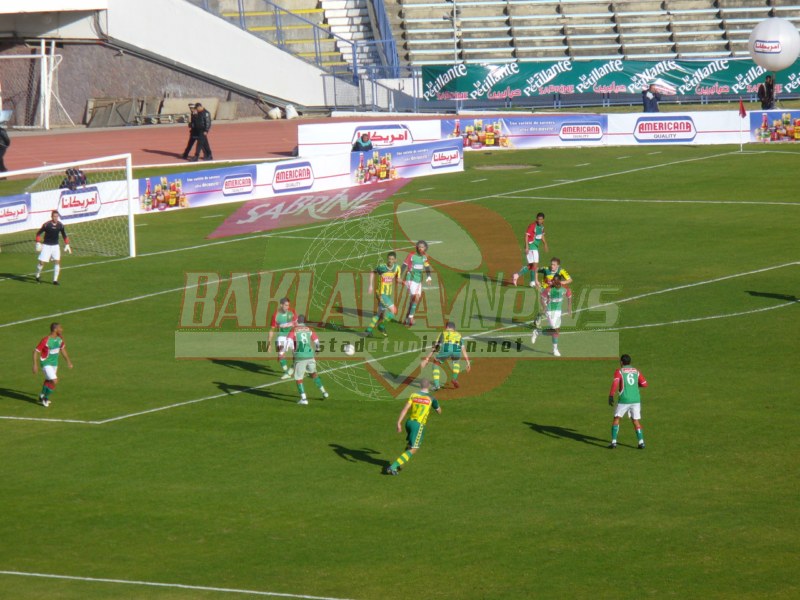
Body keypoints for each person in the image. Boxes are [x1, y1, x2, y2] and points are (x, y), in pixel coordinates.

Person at [384, 378, 441, 476]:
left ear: (420, 386)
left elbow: (405, 409)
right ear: (428, 386)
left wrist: (398, 423)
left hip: (409, 423)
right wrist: (437, 408)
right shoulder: (431, 398)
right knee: (414, 449)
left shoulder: (413, 395)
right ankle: (393, 467)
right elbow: (439, 411)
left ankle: (399, 463)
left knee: (411, 445)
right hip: (418, 426)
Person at [608, 354, 649, 449]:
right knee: (635, 420)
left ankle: (614, 442)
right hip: (636, 400)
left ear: (622, 362)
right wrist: (634, 386)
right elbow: (645, 384)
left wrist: (611, 395)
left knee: (617, 418)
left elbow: (615, 383)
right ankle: (641, 442)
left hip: (624, 399)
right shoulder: (636, 371)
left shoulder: (619, 371)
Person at [286, 315, 329, 405]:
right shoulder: (309, 329)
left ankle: (304, 399)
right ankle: (324, 392)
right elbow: (317, 341)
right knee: (313, 374)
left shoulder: (294, 329)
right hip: (310, 356)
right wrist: (317, 349)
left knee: (298, 378)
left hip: (300, 357)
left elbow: (289, 341)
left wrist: (291, 349)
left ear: (297, 321)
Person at [33, 322, 73, 407]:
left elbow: (63, 350)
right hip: (45, 363)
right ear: (55, 329)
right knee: (55, 380)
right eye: (60, 328)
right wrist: (35, 365)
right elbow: (36, 351)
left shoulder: (60, 339)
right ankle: (45, 398)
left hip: (54, 364)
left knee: (49, 380)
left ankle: (42, 395)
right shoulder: (46, 340)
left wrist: (68, 361)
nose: (62, 329)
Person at [421, 321, 471, 390]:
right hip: (456, 351)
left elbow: (435, 347)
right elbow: (463, 349)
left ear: (447, 327)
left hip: (446, 348)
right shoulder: (459, 335)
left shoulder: (443, 333)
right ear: (454, 328)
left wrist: (427, 359)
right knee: (456, 361)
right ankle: (454, 378)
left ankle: (437, 385)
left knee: (436, 363)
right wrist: (468, 362)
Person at [530, 274, 572, 357]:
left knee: (556, 331)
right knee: (555, 331)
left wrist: (569, 308)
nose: (552, 282)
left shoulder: (565, 288)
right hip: (550, 310)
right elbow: (542, 298)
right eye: (552, 280)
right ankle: (539, 334)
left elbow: (569, 297)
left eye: (554, 281)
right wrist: (545, 307)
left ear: (559, 281)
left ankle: (553, 348)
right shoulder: (549, 289)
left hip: (558, 311)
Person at [366, 251, 402, 338]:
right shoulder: (382, 267)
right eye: (389, 259)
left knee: (380, 313)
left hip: (388, 294)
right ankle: (381, 326)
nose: (390, 260)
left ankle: (369, 330)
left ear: (395, 260)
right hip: (381, 294)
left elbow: (398, 279)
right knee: (394, 311)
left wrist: (402, 282)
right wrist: (370, 286)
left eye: (392, 259)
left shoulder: (397, 268)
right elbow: (372, 272)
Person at [533, 257, 572, 328]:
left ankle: (544, 318)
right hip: (545, 290)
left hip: (554, 291)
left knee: (548, 308)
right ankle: (540, 316)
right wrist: (536, 281)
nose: (552, 266)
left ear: (558, 266)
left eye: (554, 265)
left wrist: (562, 282)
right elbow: (536, 269)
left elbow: (570, 280)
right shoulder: (546, 269)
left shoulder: (561, 271)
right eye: (551, 264)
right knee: (545, 308)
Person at [34, 210, 71, 285]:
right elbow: (38, 233)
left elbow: (64, 235)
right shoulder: (46, 225)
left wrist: (67, 244)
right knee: (41, 263)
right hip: (46, 246)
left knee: (57, 262)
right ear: (51, 217)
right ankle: (37, 275)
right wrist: (38, 242)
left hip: (55, 246)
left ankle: (55, 280)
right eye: (54, 216)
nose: (56, 218)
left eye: (57, 216)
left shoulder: (60, 225)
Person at [401, 240, 432, 326]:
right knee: (416, 297)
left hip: (418, 281)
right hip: (410, 279)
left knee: (413, 300)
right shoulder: (411, 255)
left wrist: (429, 277)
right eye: (419, 246)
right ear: (417, 248)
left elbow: (427, 267)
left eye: (423, 247)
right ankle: (411, 317)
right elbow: (404, 265)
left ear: (425, 248)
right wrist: (398, 276)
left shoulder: (424, 257)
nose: (421, 248)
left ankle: (407, 318)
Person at [512, 212, 548, 287]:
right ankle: (534, 281)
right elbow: (526, 236)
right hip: (531, 246)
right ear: (536, 219)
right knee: (535, 264)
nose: (539, 221)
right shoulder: (532, 226)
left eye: (541, 219)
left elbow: (541, 236)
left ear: (543, 220)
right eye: (538, 219)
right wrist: (527, 247)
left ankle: (517, 275)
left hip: (535, 247)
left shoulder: (542, 227)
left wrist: (545, 244)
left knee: (532, 265)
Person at [267, 297, 297, 380]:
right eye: (286, 305)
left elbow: (297, 324)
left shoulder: (293, 312)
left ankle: (292, 370)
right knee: (280, 355)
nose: (287, 307)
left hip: (293, 335)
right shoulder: (276, 315)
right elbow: (272, 330)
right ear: (281, 305)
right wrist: (269, 343)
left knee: (297, 356)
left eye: (288, 305)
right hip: (282, 336)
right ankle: (287, 372)